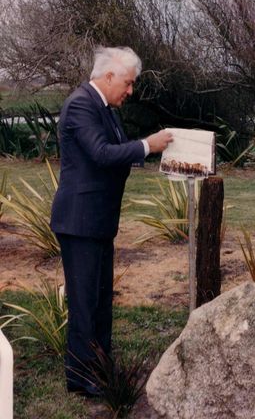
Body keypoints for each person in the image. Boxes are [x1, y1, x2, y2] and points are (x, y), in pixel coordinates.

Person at [50, 46, 173, 397]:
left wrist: (150, 150)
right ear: (108, 77)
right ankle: (81, 377)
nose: (130, 91)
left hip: (99, 221)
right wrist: (148, 146)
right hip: (79, 222)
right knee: (85, 302)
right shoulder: (81, 105)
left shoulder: (104, 107)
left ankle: (100, 368)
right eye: (128, 83)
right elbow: (103, 154)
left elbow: (119, 151)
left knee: (102, 299)